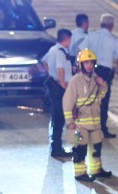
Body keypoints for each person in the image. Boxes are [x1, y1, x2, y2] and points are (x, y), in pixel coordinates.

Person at [62, 49, 112, 183]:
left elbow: (100, 97)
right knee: (80, 148)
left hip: (95, 121)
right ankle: (80, 173)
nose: (89, 65)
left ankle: (96, 169)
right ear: (81, 65)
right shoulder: (76, 81)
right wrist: (69, 122)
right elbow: (67, 102)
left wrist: (103, 85)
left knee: (97, 146)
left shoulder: (96, 79)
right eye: (86, 63)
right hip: (80, 123)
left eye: (91, 62)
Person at [83, 14, 118, 139]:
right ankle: (101, 128)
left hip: (89, 70)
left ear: (101, 24)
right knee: (103, 102)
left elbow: (81, 50)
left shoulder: (90, 36)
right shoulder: (113, 40)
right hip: (105, 73)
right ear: (112, 26)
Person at [42, 28, 72, 159]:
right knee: (59, 118)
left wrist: (50, 73)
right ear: (66, 39)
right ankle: (56, 149)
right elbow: (61, 70)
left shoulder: (52, 49)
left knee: (56, 117)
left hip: (54, 86)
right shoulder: (60, 52)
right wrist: (64, 86)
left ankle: (56, 146)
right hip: (59, 88)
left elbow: (44, 62)